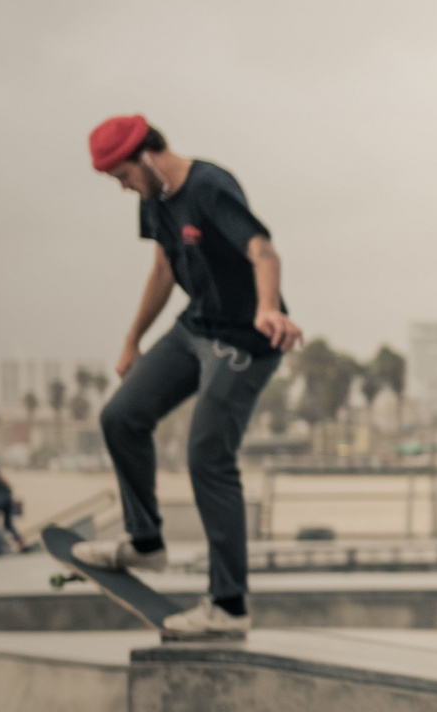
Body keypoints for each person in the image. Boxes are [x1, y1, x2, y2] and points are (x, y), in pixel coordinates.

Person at [79, 116, 302, 638]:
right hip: (194, 326)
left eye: (124, 177)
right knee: (120, 416)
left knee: (207, 454)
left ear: (148, 157)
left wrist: (268, 308)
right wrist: (133, 338)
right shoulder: (153, 199)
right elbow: (163, 267)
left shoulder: (209, 188)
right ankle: (145, 542)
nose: (125, 187)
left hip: (244, 340)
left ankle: (227, 605)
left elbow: (263, 250)